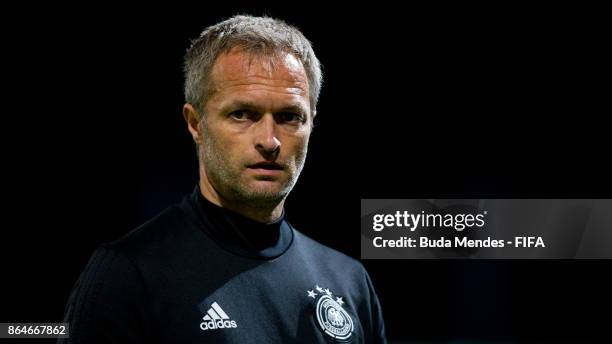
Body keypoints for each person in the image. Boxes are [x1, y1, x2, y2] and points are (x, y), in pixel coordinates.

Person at [60, 15, 386, 343]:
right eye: (242, 114)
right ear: (195, 123)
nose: (270, 141)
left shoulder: (349, 282)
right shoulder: (128, 275)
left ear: (312, 123)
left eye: (289, 117)